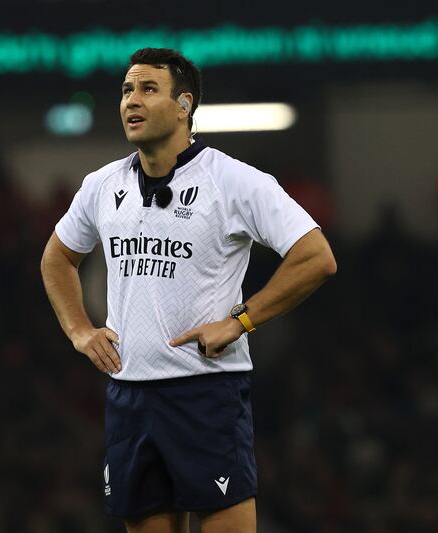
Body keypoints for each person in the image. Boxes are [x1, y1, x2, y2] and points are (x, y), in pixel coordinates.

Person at [40, 48, 336, 533]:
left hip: (206, 393)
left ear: (185, 106)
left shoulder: (233, 180)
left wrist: (241, 320)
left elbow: (317, 257)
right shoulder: (101, 185)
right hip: (129, 395)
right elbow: (57, 257)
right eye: (126, 90)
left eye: (148, 89)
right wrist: (78, 330)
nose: (131, 100)